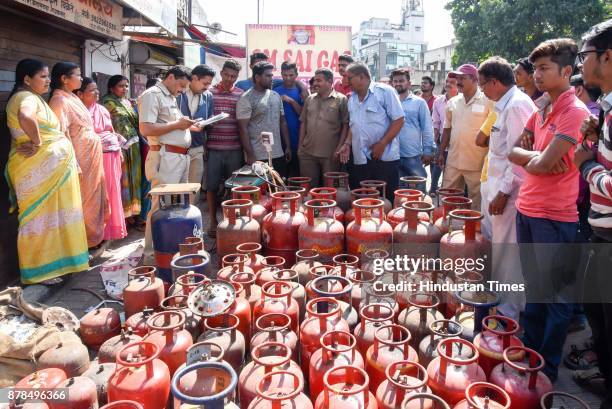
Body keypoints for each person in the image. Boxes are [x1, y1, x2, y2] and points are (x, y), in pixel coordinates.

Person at [508, 38, 590, 382]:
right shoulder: (541, 109)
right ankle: (531, 353)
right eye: (536, 68)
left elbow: (541, 163)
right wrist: (536, 159)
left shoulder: (575, 113)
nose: (537, 76)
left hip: (554, 217)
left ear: (567, 71)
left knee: (555, 297)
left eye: (544, 69)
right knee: (535, 288)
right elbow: (515, 152)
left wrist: (537, 160)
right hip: (527, 210)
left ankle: (548, 368)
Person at [6, 59, 88, 284]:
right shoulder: (25, 98)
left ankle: (58, 265)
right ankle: (38, 272)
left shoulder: (35, 98)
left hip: (53, 172)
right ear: (26, 79)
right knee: (39, 220)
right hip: (36, 172)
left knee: (57, 219)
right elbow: (25, 116)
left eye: (47, 76)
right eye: (42, 76)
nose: (47, 80)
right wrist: (38, 142)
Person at [477, 56, 536, 322]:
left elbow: (519, 158)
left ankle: (508, 315)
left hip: (510, 195)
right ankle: (507, 305)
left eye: (483, 85)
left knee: (508, 255)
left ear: (495, 83)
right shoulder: (503, 106)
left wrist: (502, 193)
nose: (482, 90)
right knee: (501, 252)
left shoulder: (516, 106)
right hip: (499, 190)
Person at [572, 20, 612, 409]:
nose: (581, 64)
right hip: (600, 232)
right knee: (598, 318)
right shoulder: (605, 108)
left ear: (607, 56)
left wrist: (587, 166)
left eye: (584, 56)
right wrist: (590, 139)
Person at [138, 65, 197, 259]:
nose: (181, 90)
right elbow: (146, 129)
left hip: (179, 157)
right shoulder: (152, 95)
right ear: (170, 77)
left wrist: (187, 126)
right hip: (165, 158)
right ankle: (151, 255)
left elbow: (169, 126)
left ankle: (170, 248)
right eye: (180, 85)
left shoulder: (171, 97)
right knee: (160, 207)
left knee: (177, 206)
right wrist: (179, 125)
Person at [49, 62, 109, 251]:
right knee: (83, 200)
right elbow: (60, 133)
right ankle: (82, 242)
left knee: (95, 197)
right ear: (64, 79)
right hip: (79, 158)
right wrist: (73, 160)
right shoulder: (59, 100)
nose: (81, 78)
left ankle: (93, 238)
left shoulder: (72, 97)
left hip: (91, 157)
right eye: (77, 75)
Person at [336, 62, 404, 202]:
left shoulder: (385, 92)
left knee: (385, 199)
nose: (346, 82)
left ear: (362, 77)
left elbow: (399, 120)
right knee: (361, 198)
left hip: (384, 157)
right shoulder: (352, 99)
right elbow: (353, 125)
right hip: (360, 159)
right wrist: (347, 144)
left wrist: (383, 143)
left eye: (349, 78)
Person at [436, 64, 493, 210]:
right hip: (454, 161)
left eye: (463, 78)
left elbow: (493, 131)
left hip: (477, 162)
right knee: (447, 197)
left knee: (477, 201)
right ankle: (447, 228)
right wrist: (441, 152)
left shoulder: (488, 101)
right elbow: (447, 130)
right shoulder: (453, 102)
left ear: (475, 80)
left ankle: (474, 231)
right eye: (457, 78)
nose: (458, 81)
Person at [77, 77, 127, 242]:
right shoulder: (79, 112)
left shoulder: (102, 109)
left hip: (112, 155)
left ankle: (110, 232)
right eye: (92, 90)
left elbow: (110, 130)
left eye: (97, 89)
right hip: (95, 157)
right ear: (80, 94)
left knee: (113, 193)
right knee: (97, 196)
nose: (97, 93)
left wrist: (117, 144)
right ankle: (96, 235)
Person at [207, 59, 245, 237]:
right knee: (211, 186)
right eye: (227, 75)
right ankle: (213, 222)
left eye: (234, 76)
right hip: (213, 147)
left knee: (234, 187)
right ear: (221, 73)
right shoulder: (209, 93)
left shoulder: (240, 94)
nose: (230, 79)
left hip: (234, 148)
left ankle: (231, 221)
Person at [237, 62, 291, 177]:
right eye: (268, 76)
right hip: (258, 157)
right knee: (262, 192)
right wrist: (250, 155)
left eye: (272, 75)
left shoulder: (276, 96)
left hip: (278, 154)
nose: (272, 78)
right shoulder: (246, 98)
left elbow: (283, 122)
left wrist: (288, 147)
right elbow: (243, 129)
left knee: (279, 191)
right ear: (257, 77)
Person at [102, 75, 143, 226]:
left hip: (134, 146)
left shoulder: (127, 102)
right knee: (123, 179)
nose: (124, 89)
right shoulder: (107, 103)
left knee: (134, 179)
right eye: (121, 86)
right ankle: (122, 215)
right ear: (111, 88)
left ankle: (134, 212)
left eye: (126, 86)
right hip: (119, 148)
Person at [298, 67, 349, 187]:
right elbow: (303, 122)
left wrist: (339, 148)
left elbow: (345, 125)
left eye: (319, 80)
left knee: (330, 190)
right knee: (308, 189)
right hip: (307, 153)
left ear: (329, 81)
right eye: (315, 80)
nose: (315, 83)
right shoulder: (310, 99)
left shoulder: (341, 100)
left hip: (330, 154)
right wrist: (300, 147)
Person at [391, 69, 434, 193]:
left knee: (418, 191)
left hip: (412, 156)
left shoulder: (419, 102)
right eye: (395, 81)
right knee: (398, 192)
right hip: (393, 155)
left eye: (401, 81)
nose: (398, 83)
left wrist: (427, 150)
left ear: (409, 83)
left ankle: (420, 211)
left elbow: (427, 127)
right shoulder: (389, 102)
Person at [177, 64, 215, 204]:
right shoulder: (178, 93)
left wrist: (210, 122)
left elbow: (209, 115)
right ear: (194, 78)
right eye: (205, 83)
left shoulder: (208, 96)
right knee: (178, 188)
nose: (207, 87)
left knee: (194, 188)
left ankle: (192, 218)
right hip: (178, 148)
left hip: (197, 147)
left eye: (209, 84)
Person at [236, 52, 309, 100]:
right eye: (258, 63)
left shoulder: (271, 82)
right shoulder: (241, 85)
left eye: (264, 63)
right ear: (251, 66)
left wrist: (303, 88)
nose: (261, 66)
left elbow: (290, 80)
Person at [274, 61, 304, 177]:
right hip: (279, 139)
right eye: (285, 75)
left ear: (296, 75)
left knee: (297, 174)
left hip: (297, 137)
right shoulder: (275, 91)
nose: (287, 78)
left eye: (291, 75)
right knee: (281, 174)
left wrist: (291, 101)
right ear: (281, 74)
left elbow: (303, 114)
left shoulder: (301, 91)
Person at [431, 75, 459, 196]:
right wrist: (433, 141)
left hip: (458, 141)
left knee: (453, 169)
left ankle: (449, 192)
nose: (448, 83)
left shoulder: (462, 100)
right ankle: (433, 189)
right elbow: (436, 123)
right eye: (447, 81)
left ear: (458, 84)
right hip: (442, 139)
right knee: (438, 163)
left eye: (452, 82)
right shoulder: (438, 101)